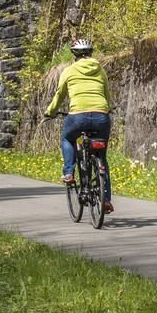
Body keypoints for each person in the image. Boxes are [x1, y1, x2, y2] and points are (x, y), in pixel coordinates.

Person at [45, 38, 113, 213]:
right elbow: (106, 94)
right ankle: (105, 199)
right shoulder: (100, 70)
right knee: (102, 157)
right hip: (101, 116)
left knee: (68, 138)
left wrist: (50, 111)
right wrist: (106, 109)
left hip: (77, 117)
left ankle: (69, 172)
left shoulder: (69, 70)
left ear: (74, 55)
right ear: (91, 53)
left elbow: (60, 94)